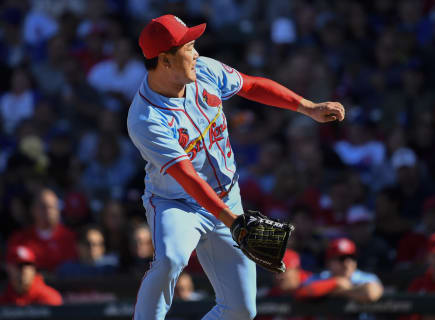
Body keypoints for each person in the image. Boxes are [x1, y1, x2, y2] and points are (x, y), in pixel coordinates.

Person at [127, 14, 345, 320]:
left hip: (227, 198)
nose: (196, 53)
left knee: (242, 310)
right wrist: (237, 223)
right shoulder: (145, 118)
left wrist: (308, 107)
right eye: (189, 47)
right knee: (171, 259)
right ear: (165, 61)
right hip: (177, 203)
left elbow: (252, 86)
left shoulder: (204, 70)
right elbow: (187, 177)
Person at [7, 188, 77, 272]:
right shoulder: (20, 239)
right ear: (33, 209)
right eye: (43, 207)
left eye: (52, 207)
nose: (48, 211)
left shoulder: (70, 238)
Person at [296, 238, 384, 303]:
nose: (347, 263)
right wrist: (335, 283)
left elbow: (371, 293)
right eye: (342, 258)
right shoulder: (322, 277)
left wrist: (340, 292)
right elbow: (301, 292)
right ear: (329, 263)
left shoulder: (365, 277)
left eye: (351, 258)